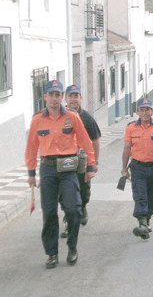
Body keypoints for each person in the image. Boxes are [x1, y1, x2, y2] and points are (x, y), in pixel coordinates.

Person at [25, 80, 96, 269]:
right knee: (49, 213)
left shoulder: (72, 117)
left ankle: (72, 247)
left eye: (58, 95)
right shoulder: (37, 119)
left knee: (73, 210)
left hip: (68, 168)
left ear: (61, 97)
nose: (55, 99)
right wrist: (31, 173)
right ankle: (52, 254)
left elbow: (85, 141)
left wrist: (90, 167)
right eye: (51, 94)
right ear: (45, 96)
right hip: (47, 168)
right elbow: (31, 148)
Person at [121, 98, 153, 240]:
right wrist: (124, 168)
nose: (145, 112)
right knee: (140, 195)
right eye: (142, 110)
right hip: (137, 167)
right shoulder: (130, 127)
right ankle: (142, 223)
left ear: (152, 111)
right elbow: (127, 148)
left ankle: (146, 221)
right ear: (137, 112)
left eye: (147, 109)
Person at [60, 84, 101, 238]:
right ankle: (68, 220)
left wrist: (95, 162)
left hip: (82, 161)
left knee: (83, 191)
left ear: (80, 98)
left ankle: (82, 207)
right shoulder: (60, 116)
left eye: (76, 96)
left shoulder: (87, 118)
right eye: (70, 96)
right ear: (66, 98)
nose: (73, 99)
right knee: (63, 193)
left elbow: (95, 140)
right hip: (64, 160)